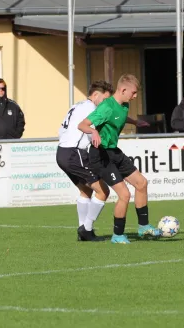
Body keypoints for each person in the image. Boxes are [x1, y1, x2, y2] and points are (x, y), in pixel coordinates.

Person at [78, 74, 161, 245]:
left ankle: (143, 227)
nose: (135, 96)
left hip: (114, 152)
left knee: (141, 183)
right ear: (123, 89)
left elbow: (119, 116)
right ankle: (117, 235)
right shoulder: (106, 107)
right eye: (134, 93)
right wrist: (93, 132)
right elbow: (83, 124)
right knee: (124, 194)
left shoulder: (124, 106)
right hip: (100, 154)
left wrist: (135, 122)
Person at [56, 80, 114, 242]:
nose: (104, 104)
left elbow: (61, 130)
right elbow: (95, 129)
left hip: (62, 152)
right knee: (103, 191)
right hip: (75, 153)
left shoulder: (76, 106)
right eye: (104, 99)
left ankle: (83, 230)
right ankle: (86, 230)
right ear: (95, 95)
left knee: (86, 191)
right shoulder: (91, 108)